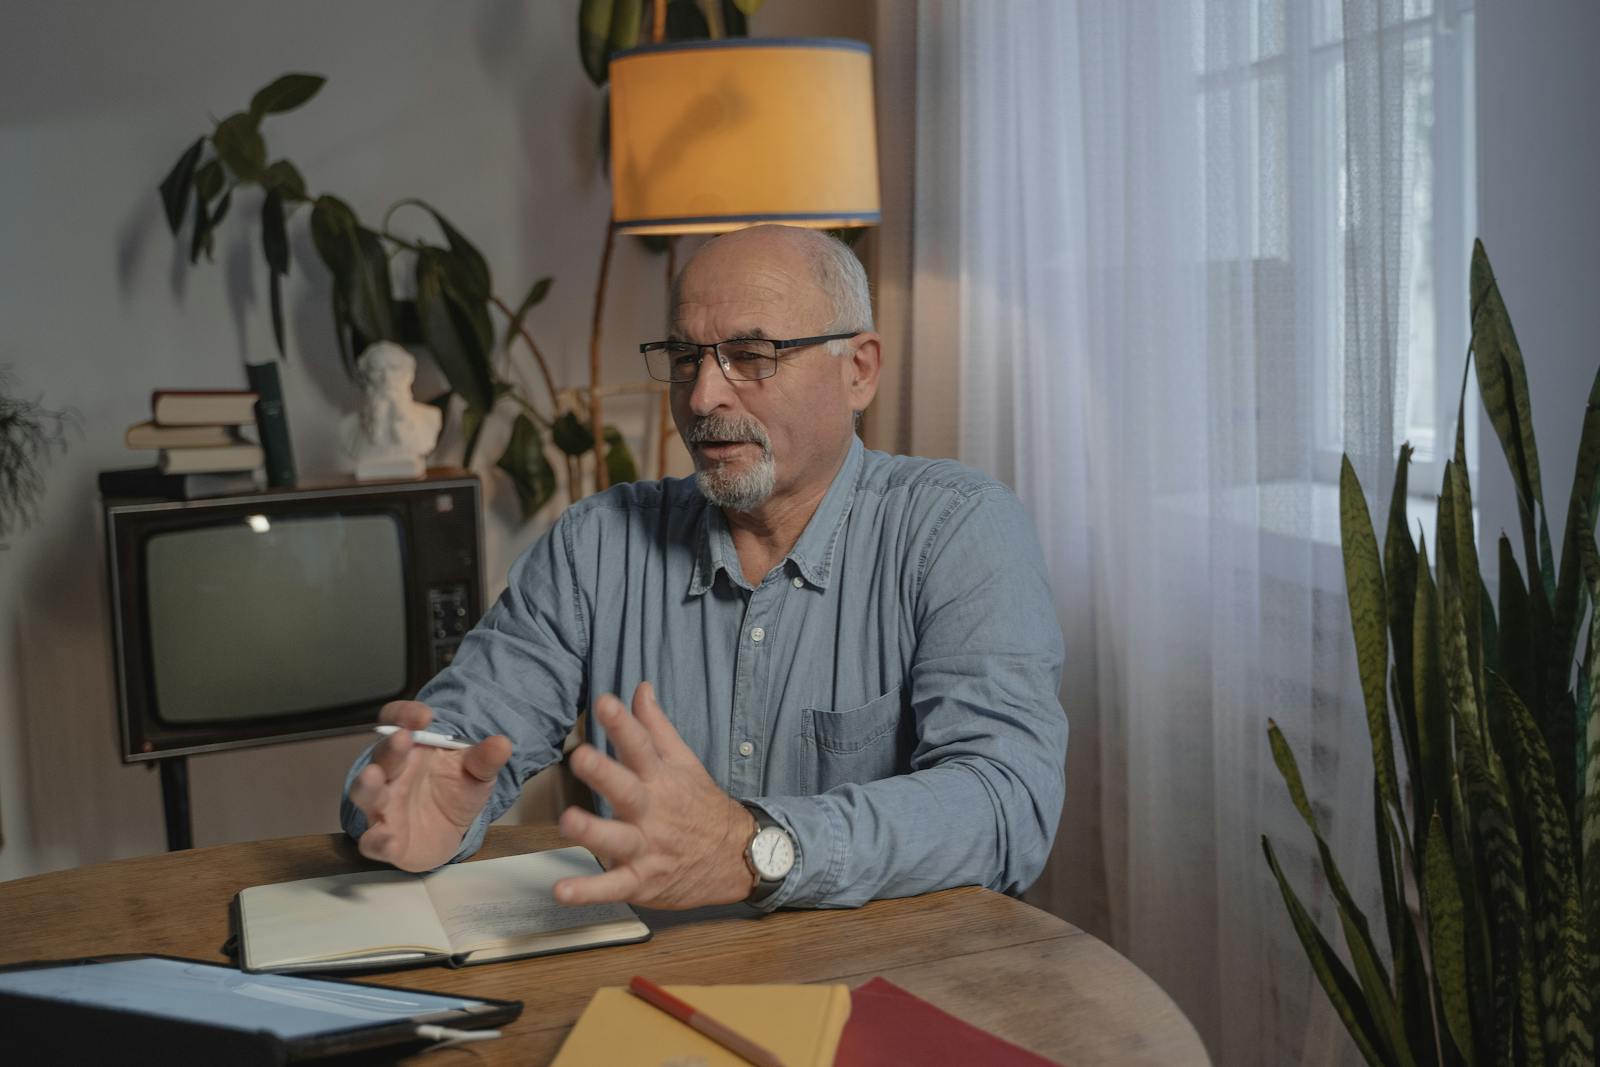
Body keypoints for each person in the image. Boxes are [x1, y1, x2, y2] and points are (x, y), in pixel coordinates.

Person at [342, 224, 1067, 911]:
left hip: (885, 992)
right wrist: (412, 807)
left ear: (860, 370)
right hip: (654, 985)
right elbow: (460, 739)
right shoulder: (596, 544)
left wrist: (752, 849)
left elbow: (1006, 804)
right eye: (686, 357)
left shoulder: (958, 529)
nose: (701, 396)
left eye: (752, 355)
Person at [339, 341, 443, 480]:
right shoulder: (348, 425)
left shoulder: (431, 417)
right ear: (365, 378)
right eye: (377, 370)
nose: (386, 378)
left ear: (409, 374)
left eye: (394, 369)